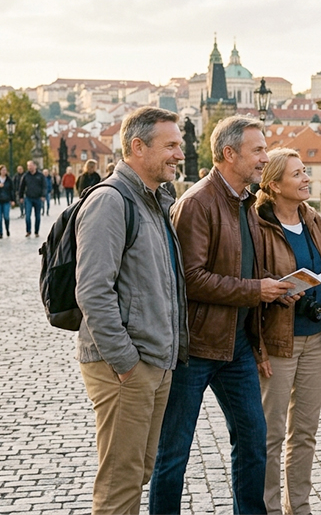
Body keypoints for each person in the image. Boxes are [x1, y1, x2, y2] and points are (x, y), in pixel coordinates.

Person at [149, 116, 283, 515]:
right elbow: (190, 280)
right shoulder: (196, 202)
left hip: (238, 345)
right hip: (196, 346)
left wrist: (276, 289)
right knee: (173, 452)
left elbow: (244, 267)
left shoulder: (248, 202)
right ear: (229, 154)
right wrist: (255, 290)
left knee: (253, 440)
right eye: (258, 150)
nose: (265, 157)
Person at [72, 107, 189, 515]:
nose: (180, 153)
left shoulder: (155, 200)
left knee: (138, 471)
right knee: (120, 481)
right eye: (171, 145)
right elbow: (92, 290)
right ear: (137, 147)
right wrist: (126, 364)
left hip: (154, 361)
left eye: (180, 144)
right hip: (126, 365)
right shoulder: (110, 201)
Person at [253, 148, 321, 515]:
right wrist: (275, 292)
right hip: (277, 339)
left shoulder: (310, 218)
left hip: (313, 336)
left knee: (304, 431)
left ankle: (300, 507)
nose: (307, 178)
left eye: (306, 171)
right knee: (271, 434)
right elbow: (251, 282)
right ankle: (270, 509)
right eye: (297, 174)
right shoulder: (257, 224)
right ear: (274, 185)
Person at [21, 161, 48, 237]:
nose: (29, 167)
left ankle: (36, 231)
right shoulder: (26, 176)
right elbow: (22, 187)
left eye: (31, 166)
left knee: (38, 216)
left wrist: (43, 195)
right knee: (27, 215)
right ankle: (28, 231)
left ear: (35, 166)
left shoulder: (40, 175)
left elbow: (44, 186)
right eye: (28, 166)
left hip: (38, 198)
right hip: (28, 198)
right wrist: (20, 197)